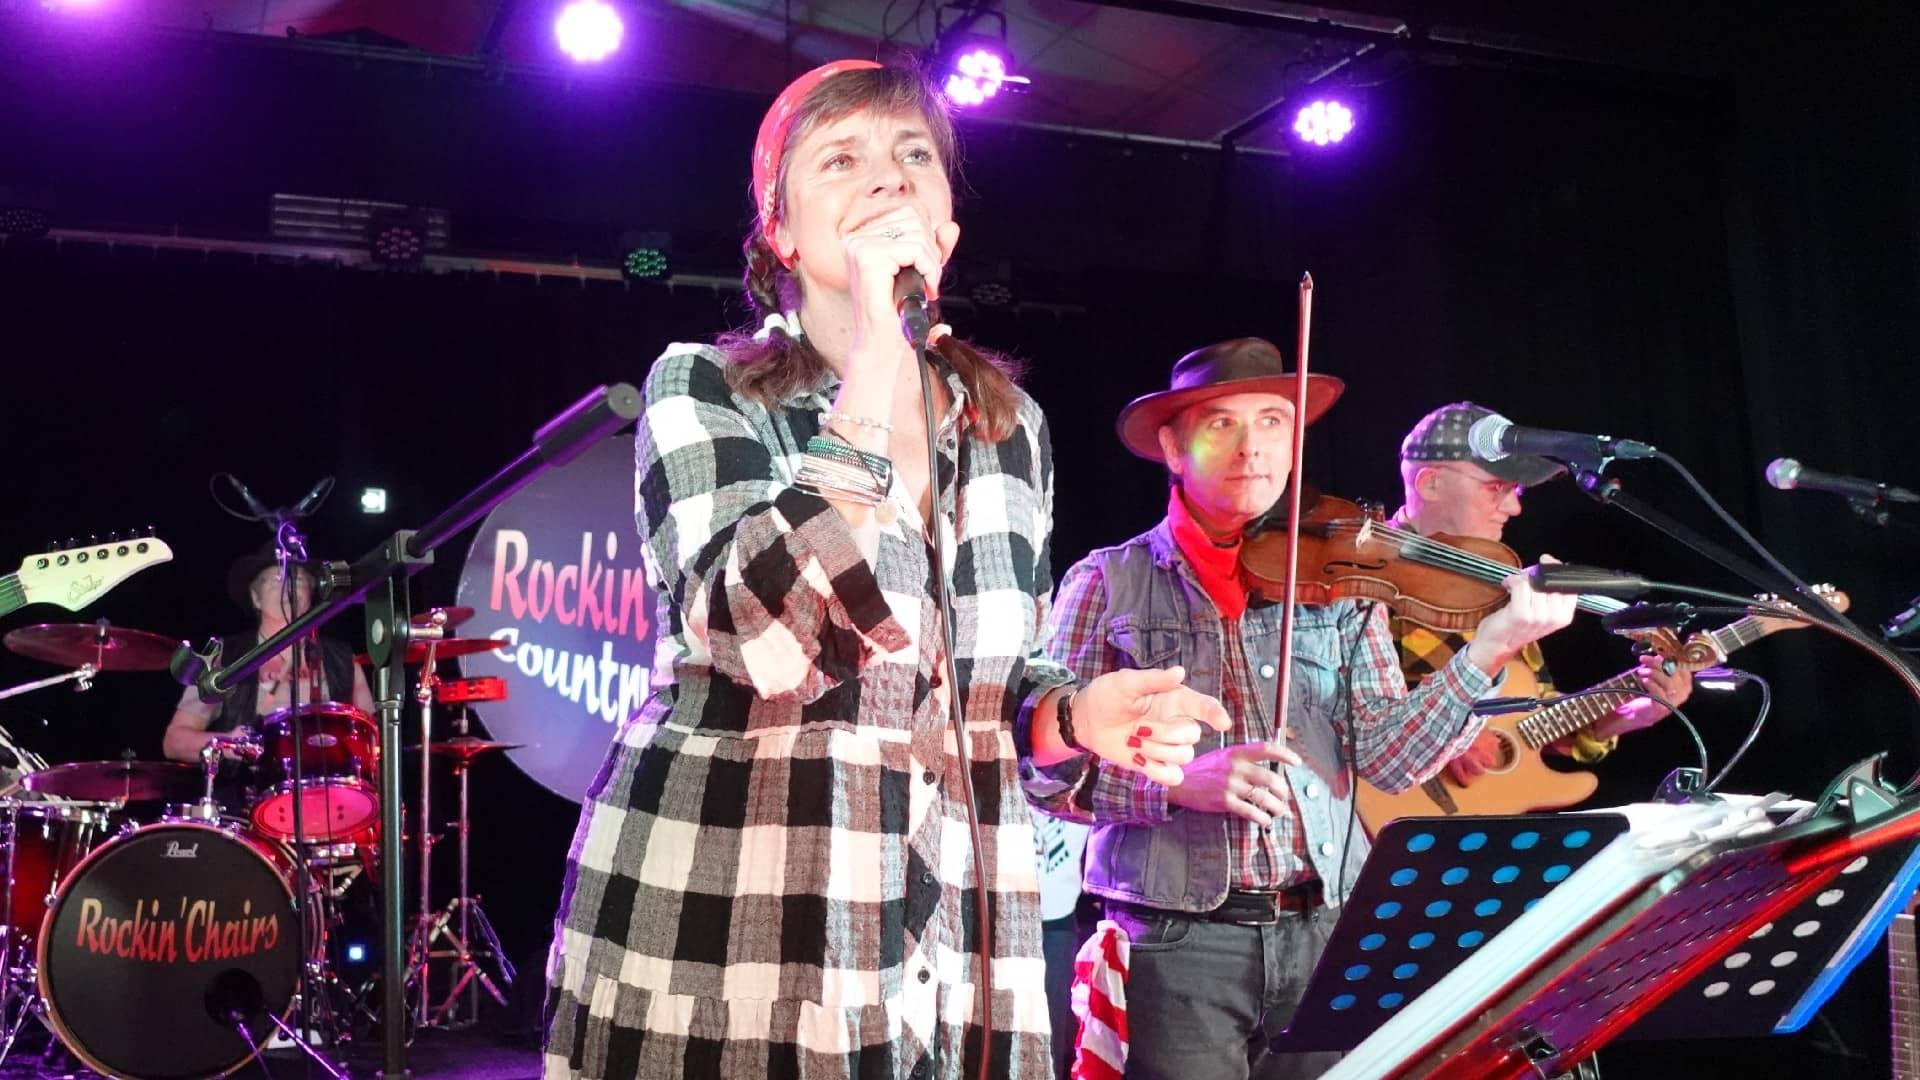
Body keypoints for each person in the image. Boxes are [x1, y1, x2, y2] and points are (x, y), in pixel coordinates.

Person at [541, 60, 1230, 1080]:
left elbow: (983, 679)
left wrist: (1076, 716)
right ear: (780, 230)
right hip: (745, 893)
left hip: (956, 909)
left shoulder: (1009, 426)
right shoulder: (704, 386)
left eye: (916, 156)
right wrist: (875, 361)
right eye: (842, 158)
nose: (888, 178)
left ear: (947, 214)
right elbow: (755, 638)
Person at [1032, 338, 1579, 1080]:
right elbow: (1045, 773)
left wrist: (1487, 650)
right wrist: (1175, 783)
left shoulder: (1339, 575)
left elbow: (1390, 757)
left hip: (1328, 929)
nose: (1253, 448)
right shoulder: (1107, 581)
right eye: (1221, 423)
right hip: (1175, 942)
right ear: (1171, 444)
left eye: (1273, 422)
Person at [1391, 402, 1692, 779]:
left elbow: (1534, 725)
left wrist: (1630, 716)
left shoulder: (1502, 579)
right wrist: (1445, 733)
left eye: (1515, 490)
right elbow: (1335, 714)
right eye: (1496, 487)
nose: (1514, 507)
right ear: (1431, 483)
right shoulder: (1362, 579)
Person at [164, 544, 374, 767]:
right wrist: (229, 744)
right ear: (256, 598)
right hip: (247, 794)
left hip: (330, 794)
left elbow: (372, 735)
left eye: (299, 579)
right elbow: (174, 742)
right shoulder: (225, 657)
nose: (288, 586)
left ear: (310, 596)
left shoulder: (342, 659)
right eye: (276, 579)